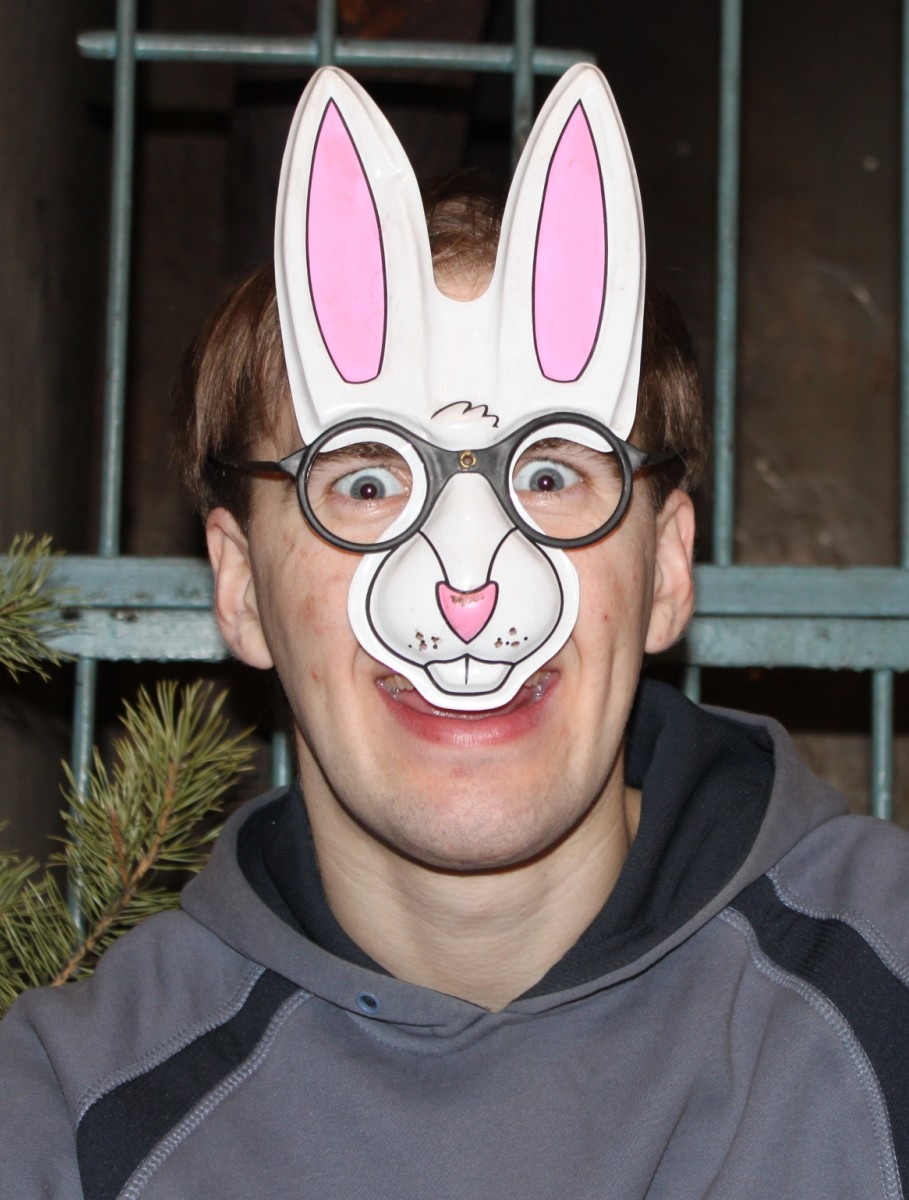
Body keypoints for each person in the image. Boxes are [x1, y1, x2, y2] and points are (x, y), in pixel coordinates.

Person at [2, 63, 908, 1200]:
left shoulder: (889, 986)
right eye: (367, 483)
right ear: (239, 588)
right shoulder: (67, 1118)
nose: (466, 585)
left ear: (667, 568)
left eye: (549, 475)